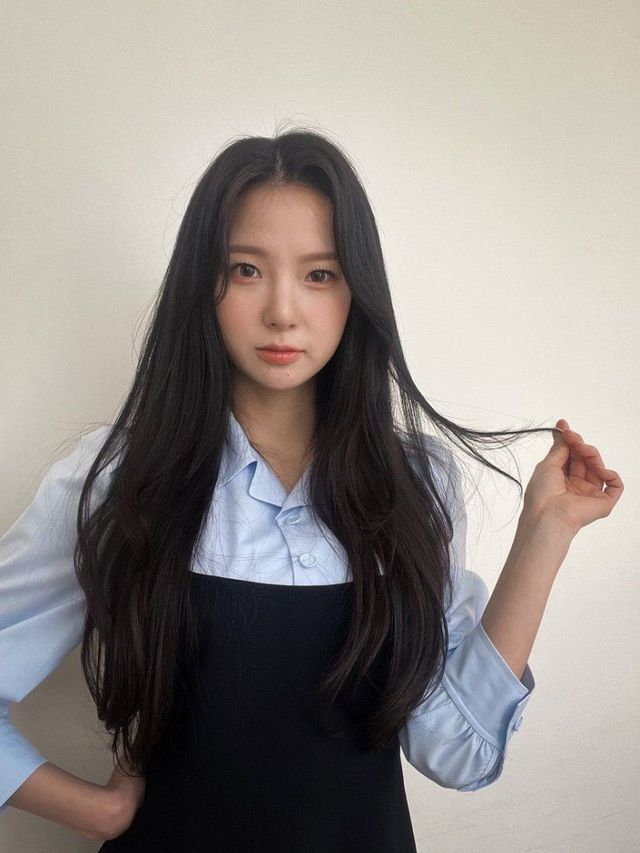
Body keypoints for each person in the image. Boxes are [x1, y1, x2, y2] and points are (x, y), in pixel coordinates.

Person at [0, 129, 623, 851]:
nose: (283, 311)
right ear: (202, 282)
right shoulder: (115, 481)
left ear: (357, 289)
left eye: (320, 274)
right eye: (245, 269)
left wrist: (546, 532)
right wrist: (97, 811)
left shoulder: (415, 483)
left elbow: (455, 751)